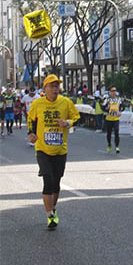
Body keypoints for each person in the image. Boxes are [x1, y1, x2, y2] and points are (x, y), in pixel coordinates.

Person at [27, 74, 80, 229]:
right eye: (52, 86)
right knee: (47, 179)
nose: (55, 89)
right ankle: (50, 214)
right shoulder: (38, 104)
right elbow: (30, 118)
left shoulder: (66, 102)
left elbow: (77, 117)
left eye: (57, 86)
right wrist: (31, 133)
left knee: (56, 182)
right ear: (45, 88)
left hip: (60, 149)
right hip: (42, 148)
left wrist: (67, 122)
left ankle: (53, 208)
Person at [102, 86, 124, 154]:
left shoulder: (119, 99)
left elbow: (123, 107)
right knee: (109, 133)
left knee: (116, 132)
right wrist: (107, 109)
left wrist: (120, 112)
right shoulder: (107, 100)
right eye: (112, 91)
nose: (114, 92)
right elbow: (102, 107)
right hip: (109, 118)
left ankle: (117, 147)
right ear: (110, 92)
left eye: (115, 91)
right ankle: (109, 144)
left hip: (116, 118)